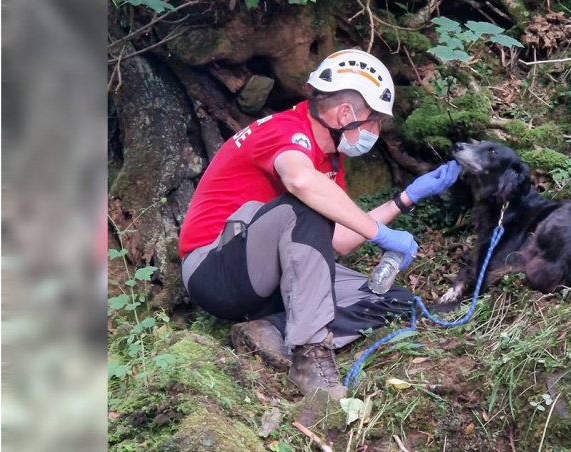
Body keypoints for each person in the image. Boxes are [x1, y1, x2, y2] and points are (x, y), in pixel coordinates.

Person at [178, 49, 461, 399]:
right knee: (305, 206)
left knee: (393, 299)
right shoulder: (285, 131)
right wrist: (382, 235)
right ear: (346, 113)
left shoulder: (329, 159)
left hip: (267, 285)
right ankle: (309, 358)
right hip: (215, 270)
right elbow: (301, 183)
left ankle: (269, 331)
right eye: (374, 120)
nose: (375, 131)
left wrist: (405, 200)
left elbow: (340, 239)